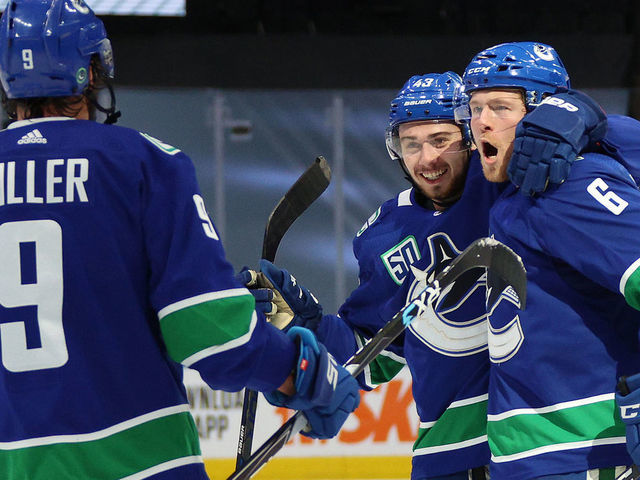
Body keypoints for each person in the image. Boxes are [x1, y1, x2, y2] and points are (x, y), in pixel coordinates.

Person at [0, 1, 360, 479]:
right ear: (90, 73)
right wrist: (299, 370)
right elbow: (208, 332)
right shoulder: (143, 164)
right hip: (137, 461)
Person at [240, 65, 622, 479]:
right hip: (445, 452)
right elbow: (373, 354)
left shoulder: (510, 182)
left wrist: (578, 110)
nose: (427, 159)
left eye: (441, 141)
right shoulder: (383, 234)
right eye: (411, 144)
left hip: (551, 439)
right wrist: (303, 324)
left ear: (472, 136)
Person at [456, 41, 640, 479]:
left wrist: (588, 114)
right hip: (533, 453)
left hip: (584, 451)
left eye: (499, 107)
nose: (481, 122)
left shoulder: (568, 185)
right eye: (475, 108)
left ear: (545, 112)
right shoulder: (512, 197)